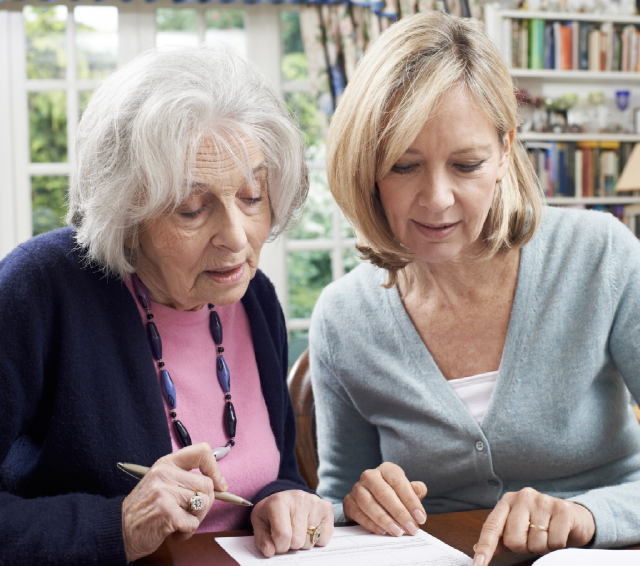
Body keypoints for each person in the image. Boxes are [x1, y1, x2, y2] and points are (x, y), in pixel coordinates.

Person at [309, 11, 640, 566]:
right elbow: (337, 503)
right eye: (404, 166)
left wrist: (588, 516)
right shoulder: (343, 317)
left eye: (466, 164)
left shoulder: (600, 255)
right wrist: (359, 502)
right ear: (368, 167)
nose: (436, 199)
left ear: (506, 151)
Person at [0, 46, 333, 565]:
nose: (236, 238)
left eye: (252, 197)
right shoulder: (39, 289)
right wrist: (120, 526)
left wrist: (281, 499)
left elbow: (277, 471)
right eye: (192, 209)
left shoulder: (255, 298)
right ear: (127, 214)